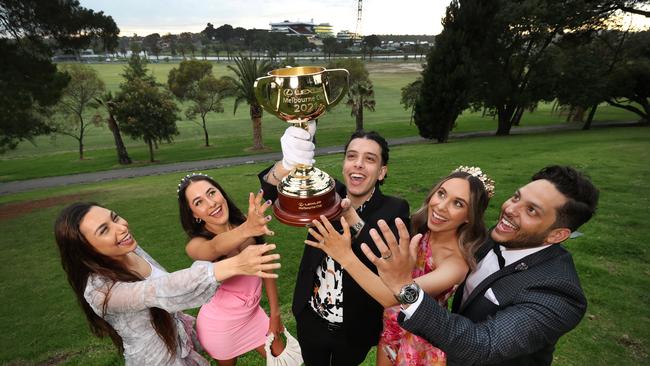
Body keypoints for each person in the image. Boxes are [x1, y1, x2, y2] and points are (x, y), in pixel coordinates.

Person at [362, 165, 599, 366]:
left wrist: (404, 286)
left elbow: (481, 345)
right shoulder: (483, 240)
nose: (509, 209)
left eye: (531, 210)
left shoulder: (559, 295)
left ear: (557, 235)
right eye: (517, 197)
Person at [307, 166, 494, 366]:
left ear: (469, 216)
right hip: (391, 326)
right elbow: (379, 248)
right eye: (441, 194)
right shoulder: (418, 230)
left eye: (457, 203)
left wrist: (345, 256)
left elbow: (393, 296)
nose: (441, 206)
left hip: (420, 342)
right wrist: (351, 215)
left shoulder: (455, 263)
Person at [54, 202, 280, 366]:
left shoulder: (129, 250)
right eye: (104, 230)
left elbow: (166, 286)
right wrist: (235, 265)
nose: (121, 227)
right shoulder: (100, 292)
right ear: (85, 250)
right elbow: (159, 290)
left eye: (114, 218)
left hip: (178, 344)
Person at [259, 126, 410, 365]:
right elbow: (270, 191)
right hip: (311, 318)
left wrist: (351, 216)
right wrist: (288, 163)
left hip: (354, 328)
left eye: (369, 159)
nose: (358, 163)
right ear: (345, 165)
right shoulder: (325, 193)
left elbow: (385, 258)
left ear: (381, 172)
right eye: (352, 156)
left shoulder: (395, 209)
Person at [176, 173, 284, 365]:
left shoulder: (245, 222)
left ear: (221, 193)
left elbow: (266, 268)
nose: (211, 204)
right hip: (220, 326)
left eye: (212, 193)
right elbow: (214, 248)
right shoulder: (196, 245)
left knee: (284, 361)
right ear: (194, 214)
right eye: (199, 202)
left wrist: (275, 314)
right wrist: (247, 229)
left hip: (253, 315)